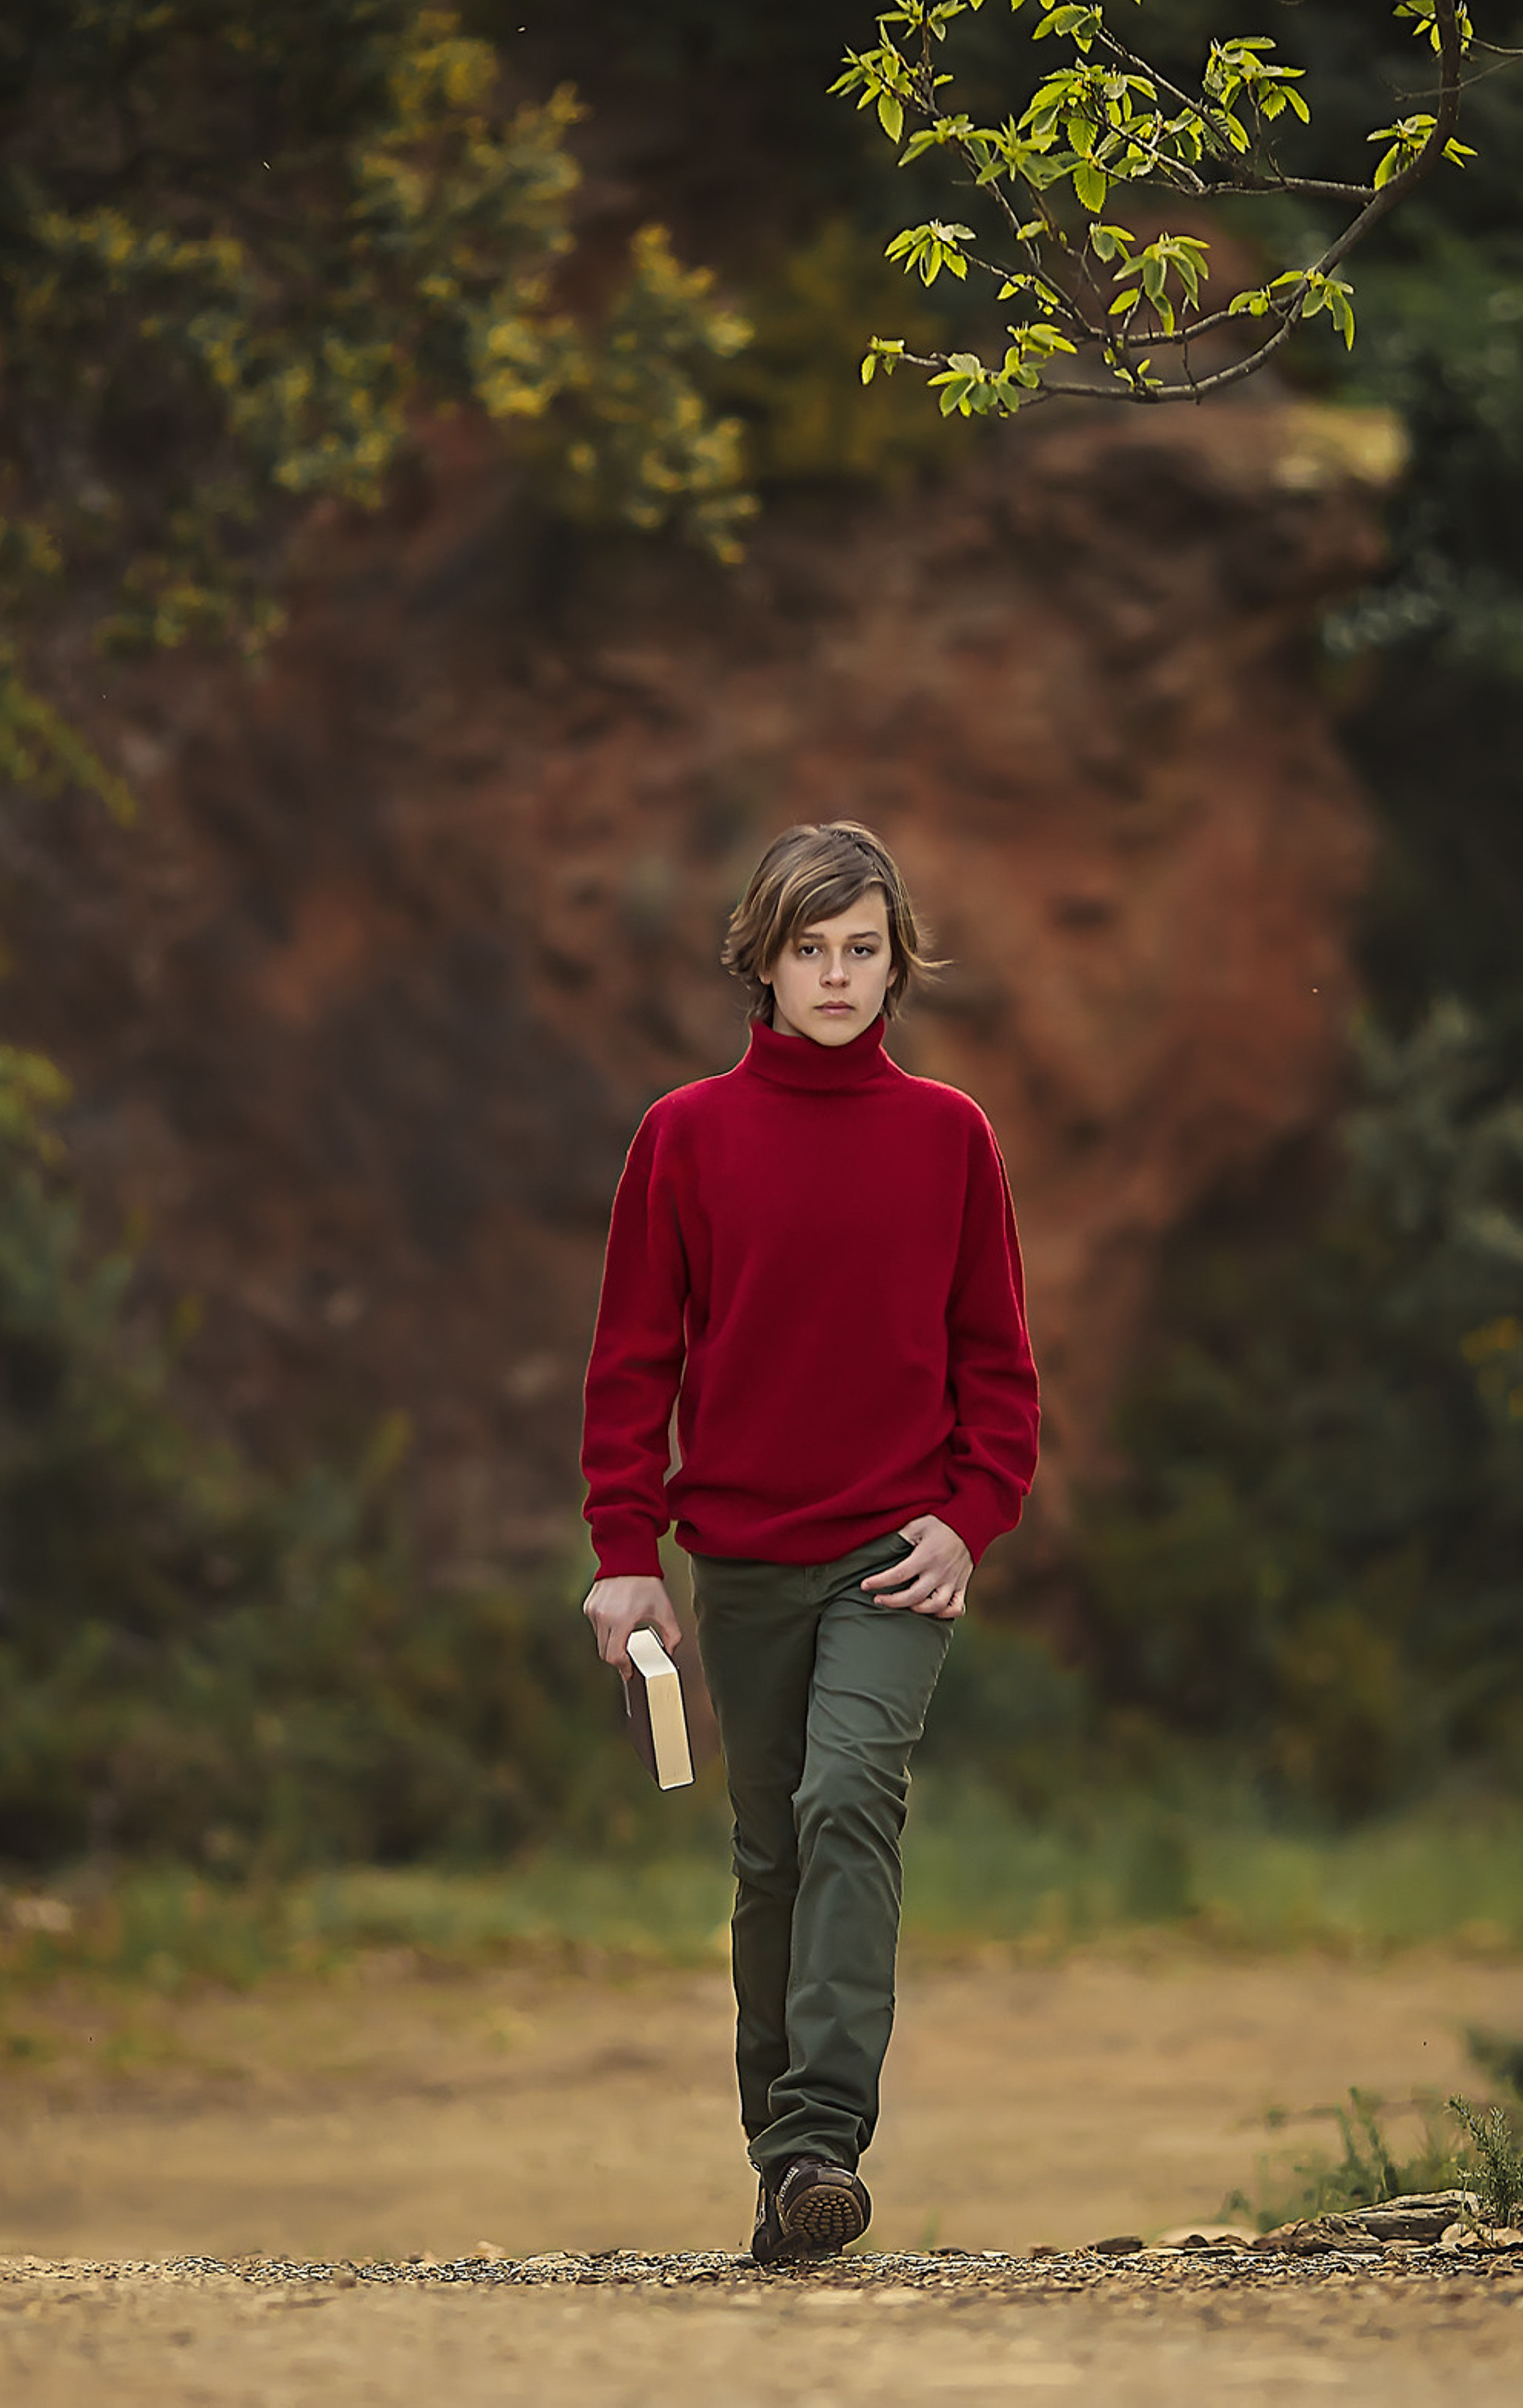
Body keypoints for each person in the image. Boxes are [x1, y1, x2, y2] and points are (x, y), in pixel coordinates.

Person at [579, 820, 1041, 2265]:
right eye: (810, 950)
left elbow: (1001, 1375)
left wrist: (969, 1524)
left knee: (852, 1799)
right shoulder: (686, 1136)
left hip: (895, 1555)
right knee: (771, 1851)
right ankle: (786, 2175)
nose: (838, 976)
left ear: (899, 964)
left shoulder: (951, 1136)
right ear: (761, 964)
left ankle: (826, 2136)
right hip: (742, 1556)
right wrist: (624, 1548)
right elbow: (631, 1363)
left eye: (864, 949)